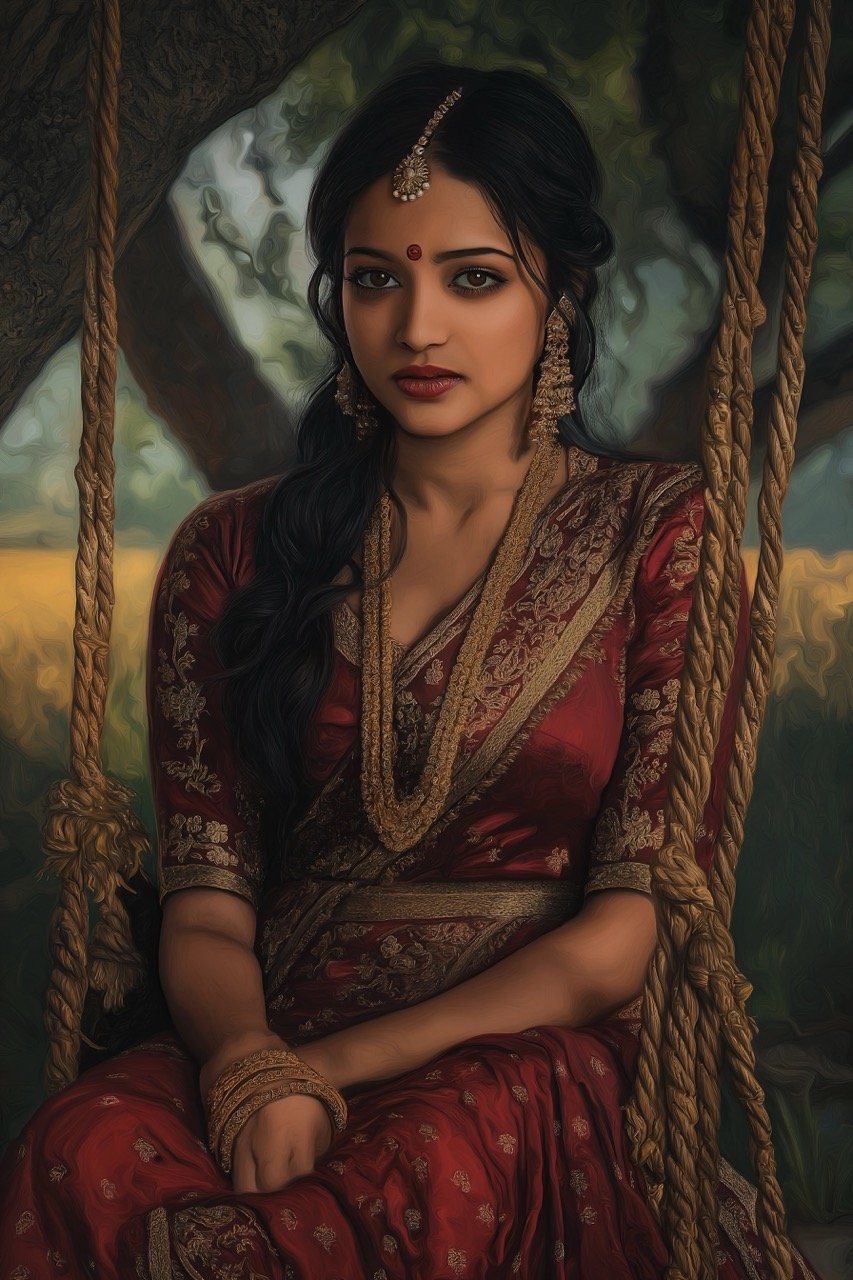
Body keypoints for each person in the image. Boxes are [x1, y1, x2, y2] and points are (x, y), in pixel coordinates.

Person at [0, 62, 820, 1280]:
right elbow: (211, 903)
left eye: (473, 278)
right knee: (87, 1145)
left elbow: (624, 938)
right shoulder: (234, 551)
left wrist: (325, 1069)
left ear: (564, 289)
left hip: (528, 1045)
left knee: (419, 1170)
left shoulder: (659, 536)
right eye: (377, 278)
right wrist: (245, 1060)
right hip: (262, 1028)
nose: (416, 328)